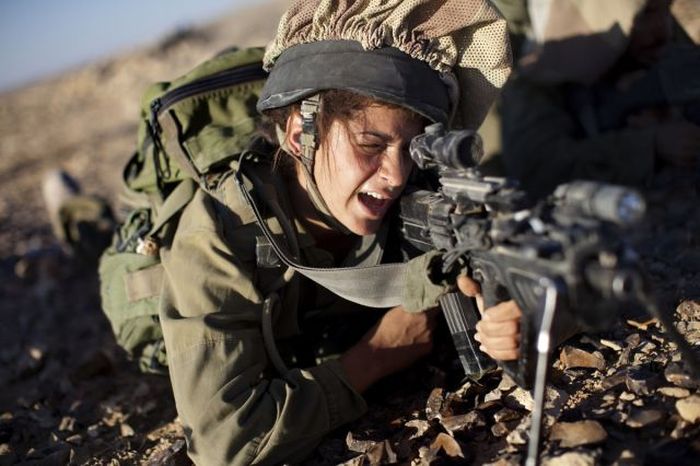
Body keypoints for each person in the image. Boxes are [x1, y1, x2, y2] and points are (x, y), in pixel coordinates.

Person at [153, 1, 520, 464]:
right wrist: (374, 356)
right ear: (298, 134)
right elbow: (226, 443)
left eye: (412, 148)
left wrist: (516, 316)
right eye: (371, 144)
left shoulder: (423, 199)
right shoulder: (217, 239)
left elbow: (526, 261)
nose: (396, 173)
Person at [500, 0, 700, 199]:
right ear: (599, 19)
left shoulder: (665, 56)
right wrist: (650, 145)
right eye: (644, 16)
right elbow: (540, 172)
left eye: (667, 11)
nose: (663, 30)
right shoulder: (535, 87)